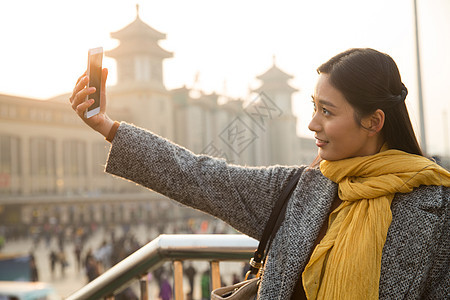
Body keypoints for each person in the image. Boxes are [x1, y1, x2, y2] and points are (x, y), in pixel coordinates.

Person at [69, 48, 449, 299]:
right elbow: (200, 177)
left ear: (374, 121)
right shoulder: (301, 189)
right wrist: (109, 127)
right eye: (313, 107)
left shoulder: (437, 210)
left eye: (327, 112)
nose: (312, 124)